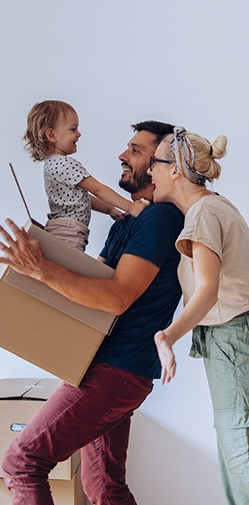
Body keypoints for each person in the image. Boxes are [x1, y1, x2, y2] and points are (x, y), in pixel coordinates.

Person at [0, 120, 184, 505]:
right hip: (110, 368)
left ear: (161, 164)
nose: (121, 156)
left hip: (115, 370)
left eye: (135, 150)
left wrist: (41, 269)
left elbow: (116, 299)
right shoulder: (129, 221)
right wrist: (40, 261)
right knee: (104, 487)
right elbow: (89, 289)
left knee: (23, 462)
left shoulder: (162, 219)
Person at [149, 126, 249, 505]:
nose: (150, 173)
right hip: (234, 339)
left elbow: (207, 290)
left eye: (156, 164)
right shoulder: (216, 205)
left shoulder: (203, 214)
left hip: (231, 341)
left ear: (175, 168)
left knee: (238, 444)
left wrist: (167, 336)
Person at [23, 100, 146, 251]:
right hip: (70, 232)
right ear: (51, 135)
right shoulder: (66, 164)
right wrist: (130, 207)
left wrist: (109, 209)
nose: (78, 134)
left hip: (60, 229)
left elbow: (82, 197)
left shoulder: (51, 165)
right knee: (69, 269)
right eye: (73, 129)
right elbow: (98, 189)